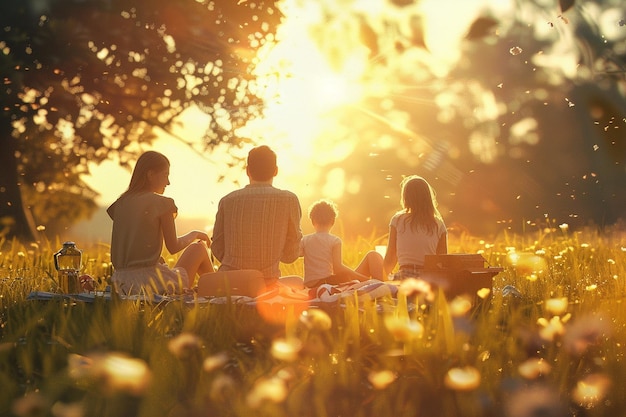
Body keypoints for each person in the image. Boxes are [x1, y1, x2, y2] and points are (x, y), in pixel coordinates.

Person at [107, 151, 214, 295]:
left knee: (164, 263)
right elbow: (173, 246)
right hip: (149, 283)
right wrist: (194, 234)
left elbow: (136, 240)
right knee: (199, 249)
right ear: (150, 175)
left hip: (121, 283)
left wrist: (153, 259)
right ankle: (219, 294)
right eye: (165, 175)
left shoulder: (120, 204)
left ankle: (212, 293)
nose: (168, 182)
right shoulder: (162, 204)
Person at [205, 145, 302, 295]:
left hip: (227, 283)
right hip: (265, 285)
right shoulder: (289, 199)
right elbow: (290, 256)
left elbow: (217, 248)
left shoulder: (227, 200)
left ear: (247, 170)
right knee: (298, 282)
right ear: (276, 171)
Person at [300, 199, 383, 288]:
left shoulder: (305, 240)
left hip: (310, 284)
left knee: (350, 275)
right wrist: (366, 279)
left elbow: (296, 254)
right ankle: (377, 283)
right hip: (326, 283)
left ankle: (375, 283)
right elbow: (338, 269)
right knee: (349, 274)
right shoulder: (334, 240)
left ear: (312, 221)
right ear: (333, 221)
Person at [383, 175, 447, 280]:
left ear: (406, 197)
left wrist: (381, 280)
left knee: (372, 258)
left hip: (404, 277)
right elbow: (442, 261)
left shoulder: (398, 220)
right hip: (428, 280)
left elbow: (391, 257)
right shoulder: (439, 224)